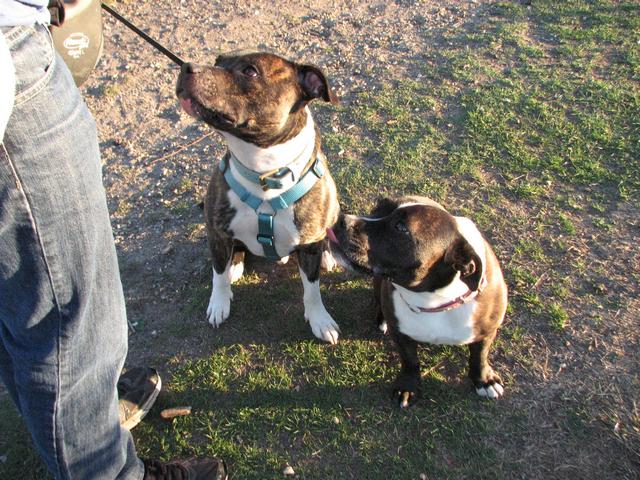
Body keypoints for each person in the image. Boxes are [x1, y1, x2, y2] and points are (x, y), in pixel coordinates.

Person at [0, 2, 226, 478]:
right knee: (72, 324)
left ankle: (83, 416)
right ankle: (105, 461)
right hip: (9, 59)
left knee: (24, 298)